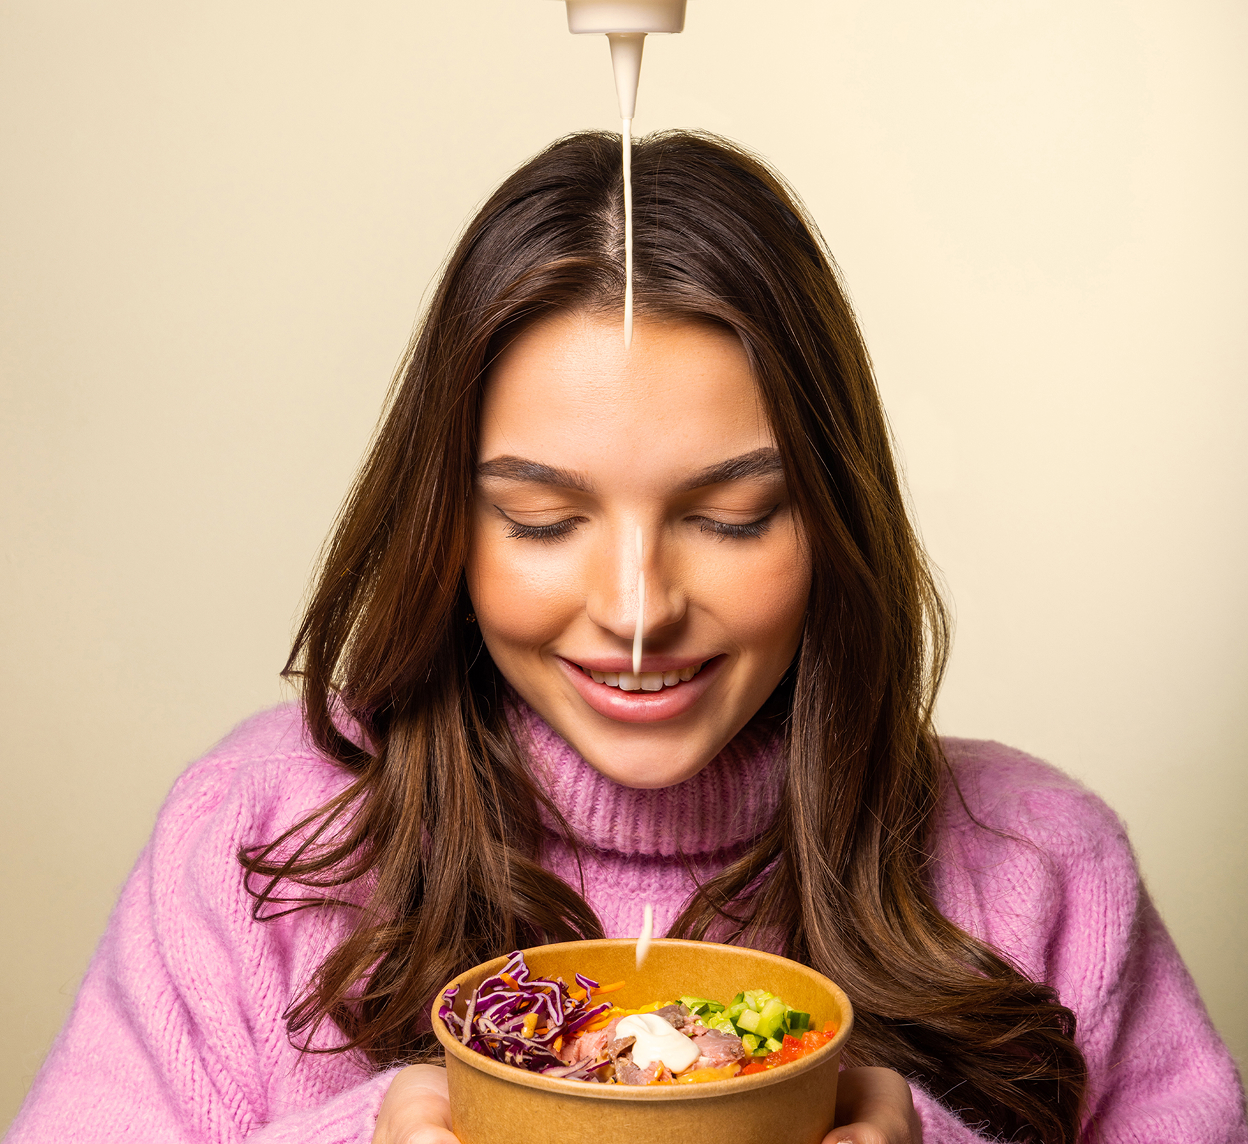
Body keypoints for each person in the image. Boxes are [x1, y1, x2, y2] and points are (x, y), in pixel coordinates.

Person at [6, 131, 1245, 1144]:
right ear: (448, 522)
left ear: (830, 517)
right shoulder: (266, 840)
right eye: (543, 521)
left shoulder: (1038, 869)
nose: (640, 609)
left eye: (731, 515)